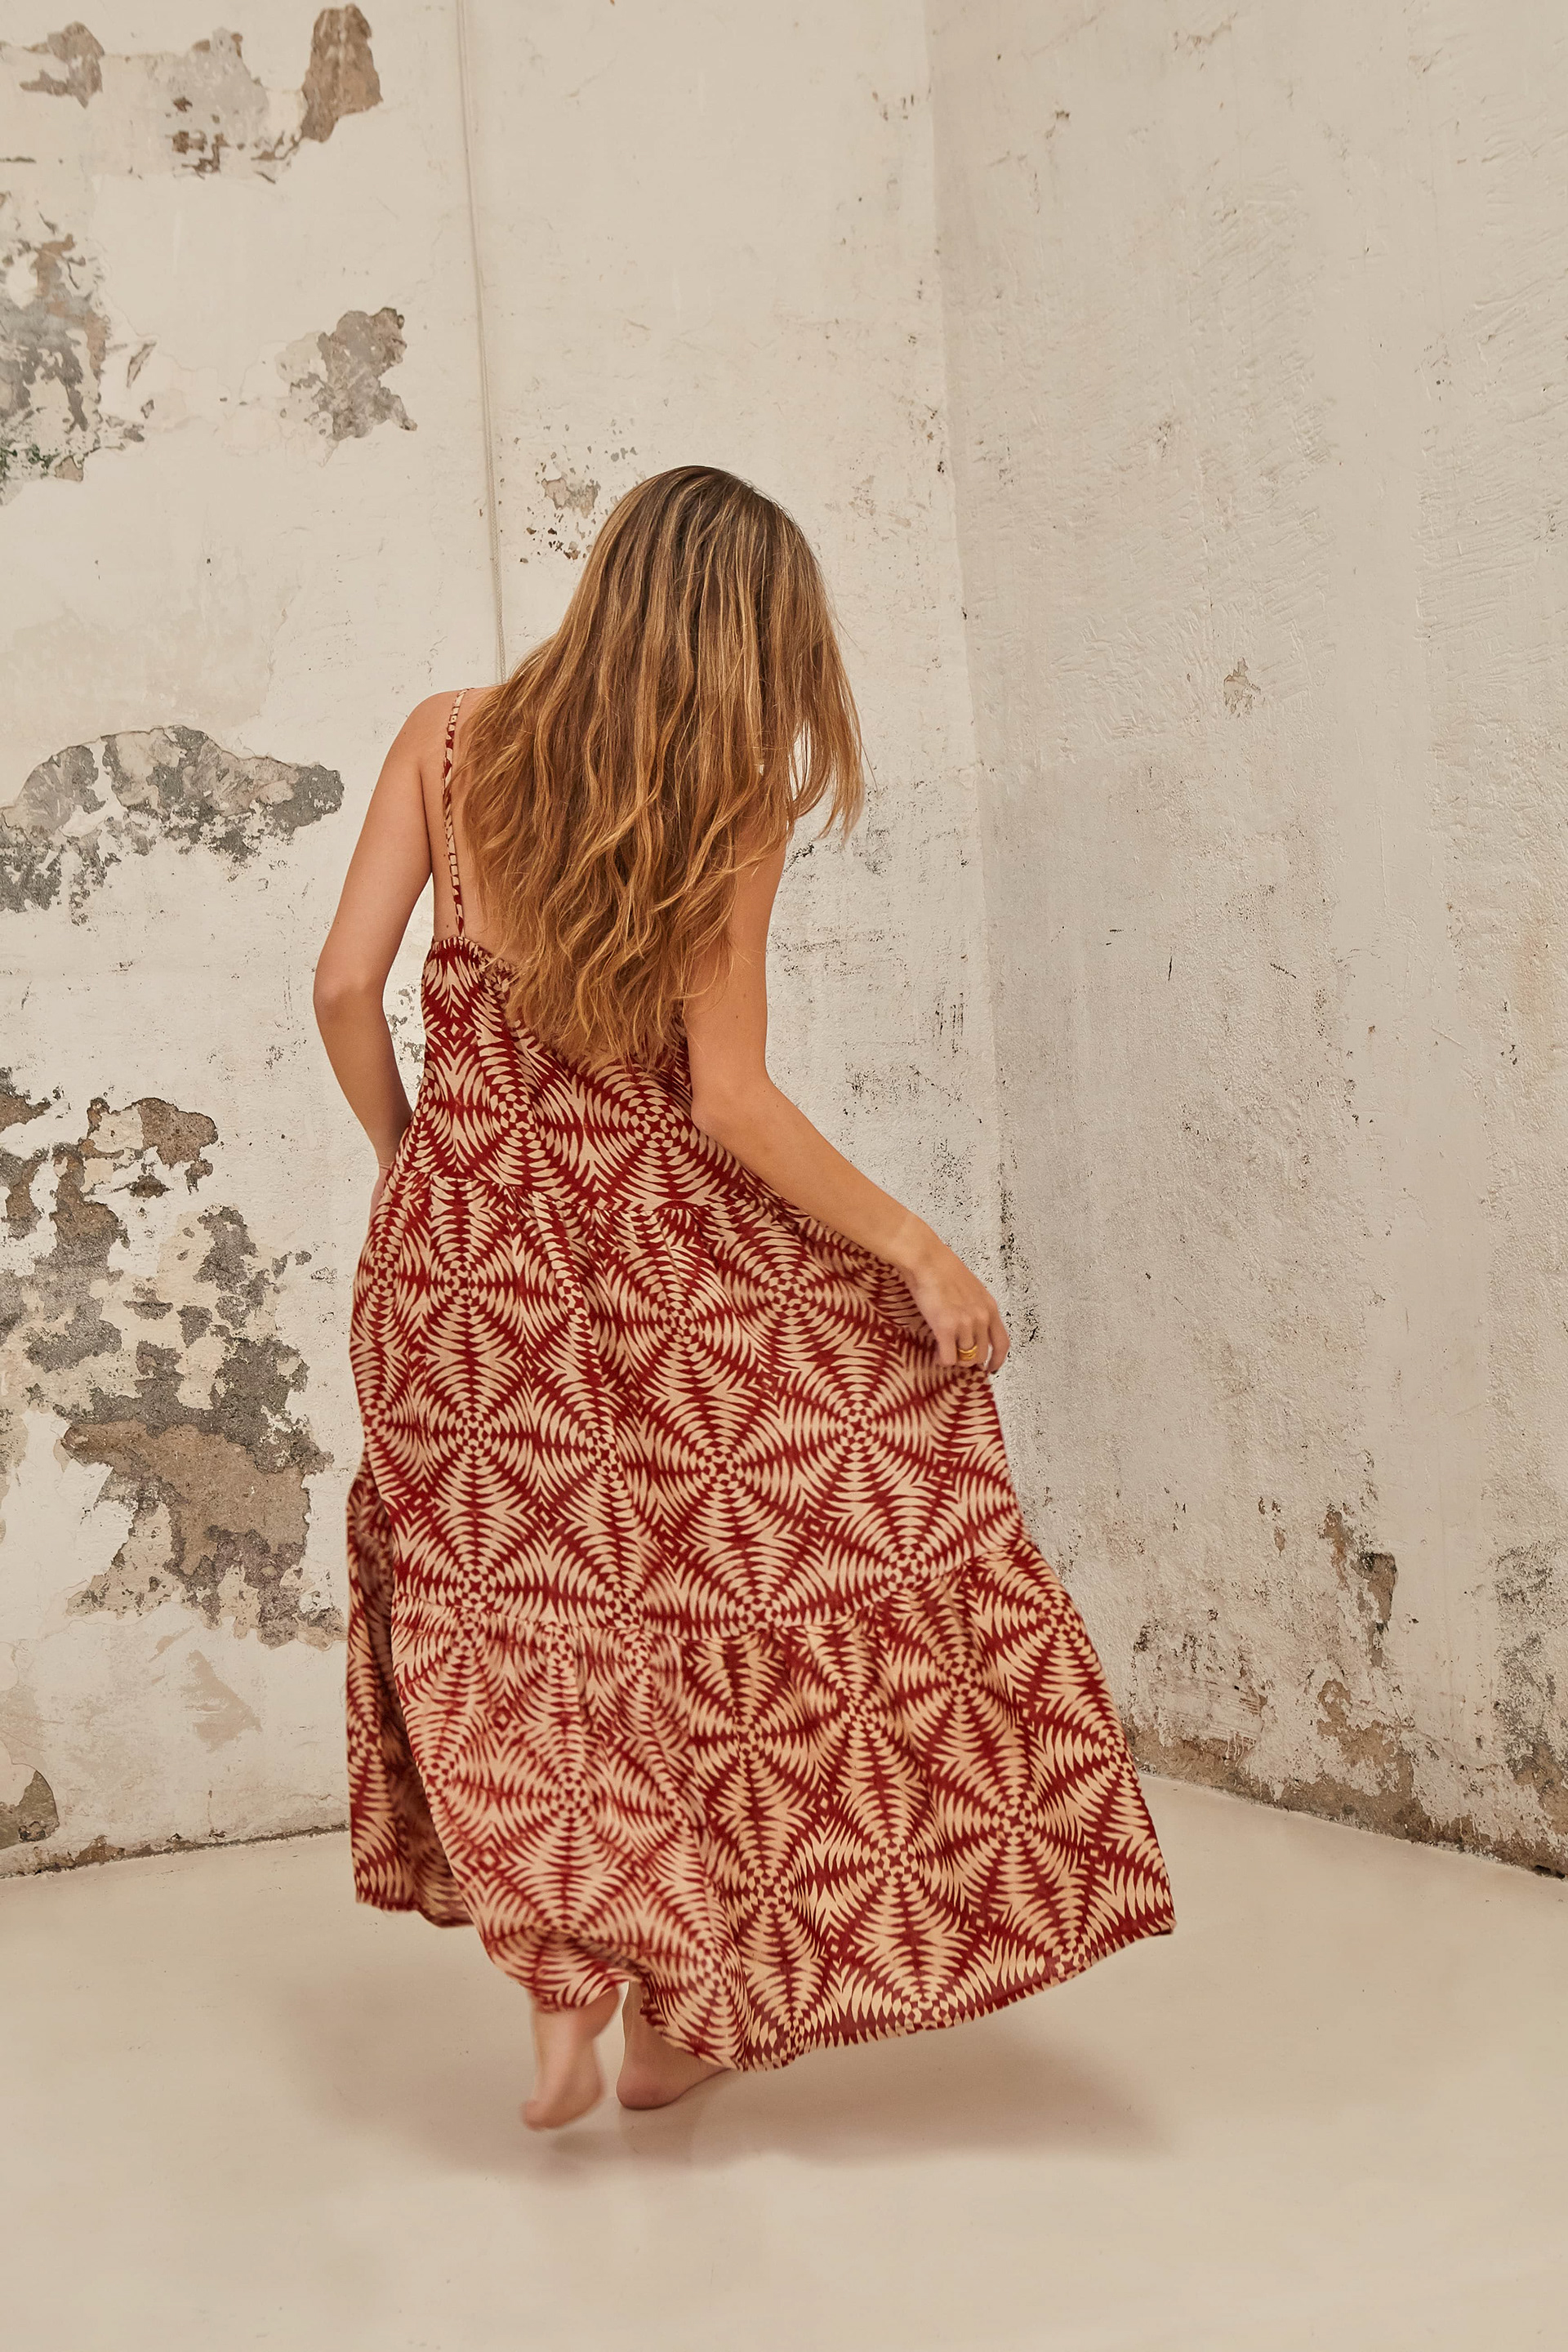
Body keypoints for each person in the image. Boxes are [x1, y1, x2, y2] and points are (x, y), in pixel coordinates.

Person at [314, 465, 1174, 2132]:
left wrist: (418, 1164)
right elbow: (729, 1105)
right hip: (661, 1276)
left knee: (517, 1612)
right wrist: (917, 1251)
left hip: (453, 1275)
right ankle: (670, 2013)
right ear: (753, 635)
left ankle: (572, 1987)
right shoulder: (728, 806)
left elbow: (347, 985)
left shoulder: (447, 739)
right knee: (734, 1595)